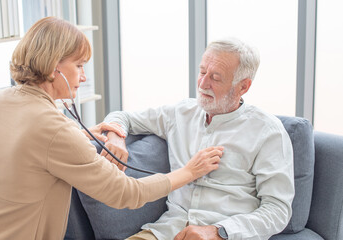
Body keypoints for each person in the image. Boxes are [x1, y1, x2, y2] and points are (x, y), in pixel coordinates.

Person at [0, 17, 224, 240]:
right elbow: (127, 194)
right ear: (55, 68)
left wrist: (83, 133)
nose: (84, 76)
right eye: (79, 65)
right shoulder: (54, 130)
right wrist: (189, 172)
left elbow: (23, 146)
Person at [103, 38, 295, 240]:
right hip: (167, 231)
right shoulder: (180, 114)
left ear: (243, 87)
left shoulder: (268, 132)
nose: (203, 84)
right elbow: (122, 117)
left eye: (216, 77)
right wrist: (116, 136)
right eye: (202, 72)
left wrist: (219, 231)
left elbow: (278, 210)